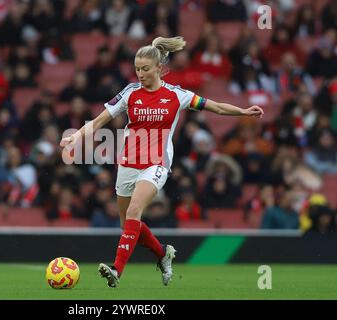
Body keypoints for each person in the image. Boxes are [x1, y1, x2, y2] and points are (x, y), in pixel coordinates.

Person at [60, 36, 264, 288]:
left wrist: (242, 111)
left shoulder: (177, 95)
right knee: (127, 224)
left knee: (135, 210)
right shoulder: (130, 92)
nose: (141, 74)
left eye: (145, 69)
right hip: (127, 163)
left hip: (156, 164)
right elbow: (100, 120)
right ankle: (162, 254)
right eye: (137, 69)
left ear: (159, 68)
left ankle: (116, 270)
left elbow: (217, 108)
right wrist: (76, 137)